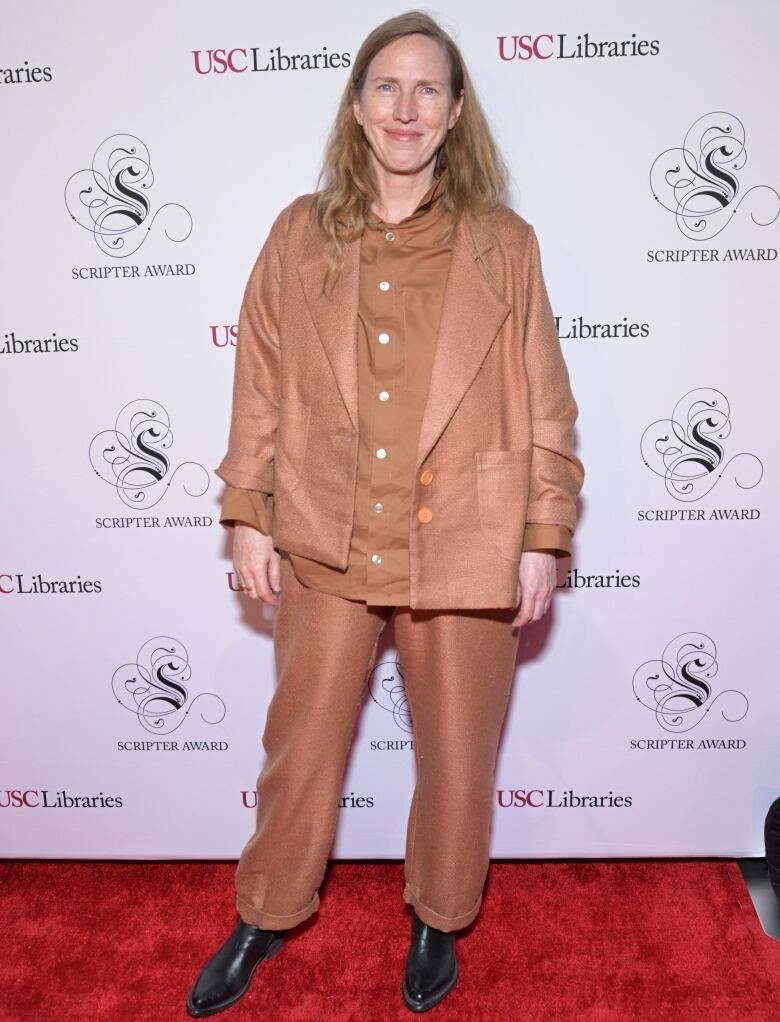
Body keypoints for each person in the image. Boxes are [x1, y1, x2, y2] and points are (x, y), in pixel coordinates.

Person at [187, 9, 584, 1017]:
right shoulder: (298, 232)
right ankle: (267, 908)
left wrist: (544, 533)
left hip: (466, 536)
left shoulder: (506, 246)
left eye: (428, 90)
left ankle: (438, 915)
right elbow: (260, 383)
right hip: (326, 534)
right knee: (301, 742)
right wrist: (246, 511)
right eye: (386, 87)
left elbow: (545, 399)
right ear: (358, 106)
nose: (406, 108)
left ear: (454, 115)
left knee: (458, 748)